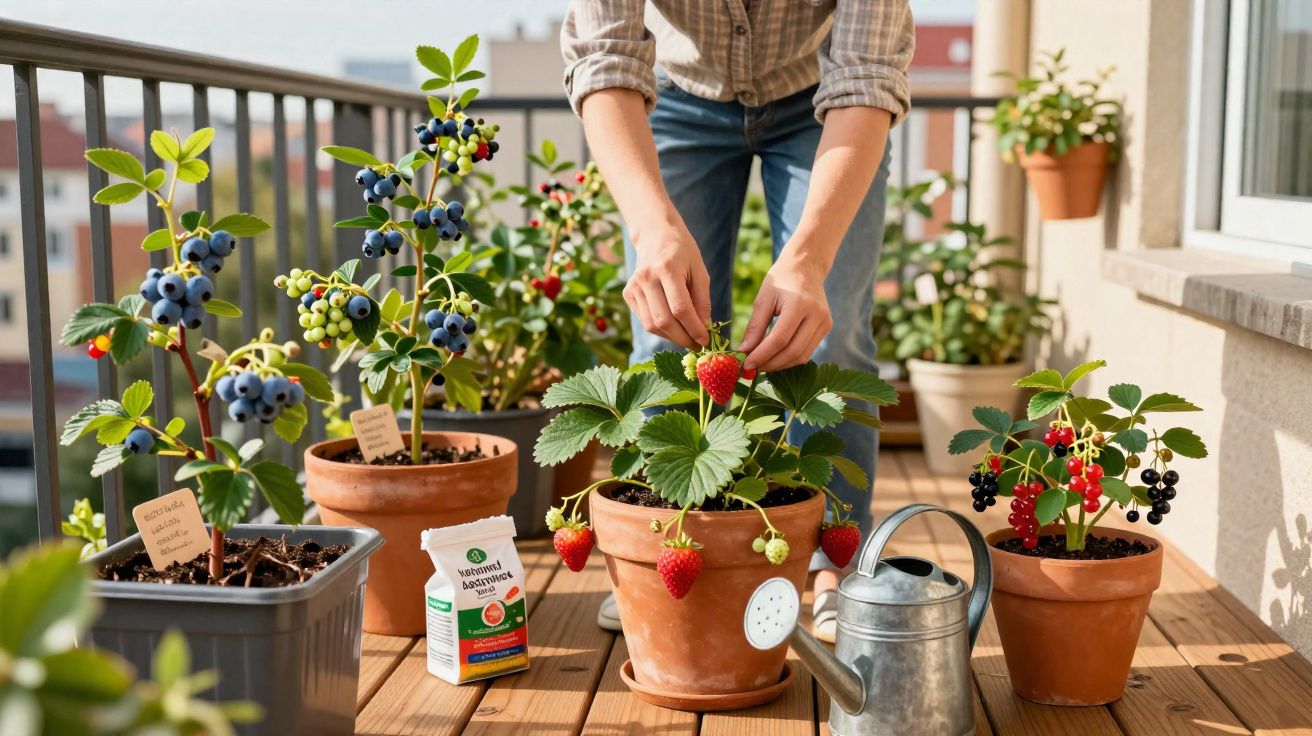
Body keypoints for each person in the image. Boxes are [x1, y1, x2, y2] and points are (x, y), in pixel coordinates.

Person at [561, 0, 913, 641]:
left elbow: (866, 73)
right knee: (666, 328)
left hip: (824, 101)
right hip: (673, 95)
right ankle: (667, 547)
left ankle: (836, 566)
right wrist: (652, 227)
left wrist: (807, 262)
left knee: (831, 338)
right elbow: (603, 55)